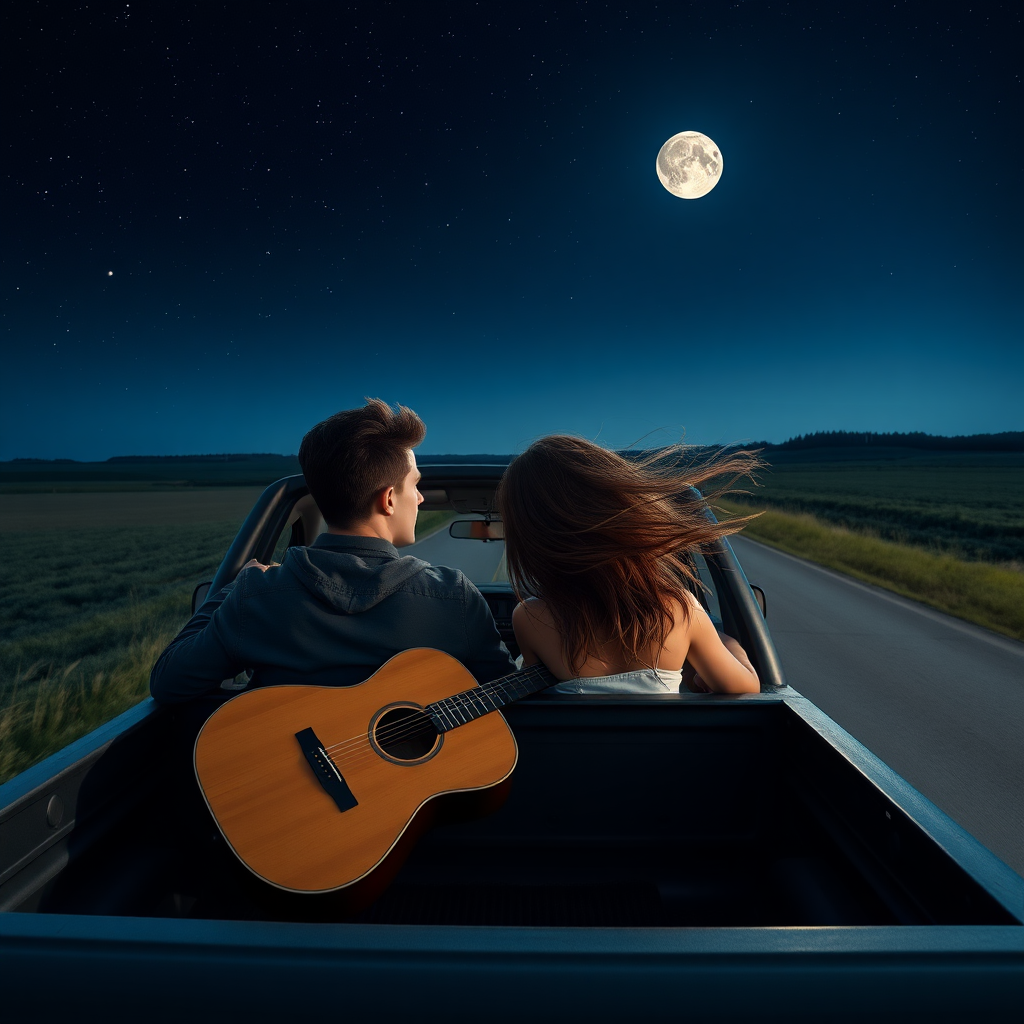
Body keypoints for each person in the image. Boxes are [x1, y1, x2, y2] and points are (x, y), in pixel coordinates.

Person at [150, 399, 515, 703]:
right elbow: (508, 699)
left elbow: (168, 683)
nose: (419, 498)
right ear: (388, 499)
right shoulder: (452, 596)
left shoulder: (255, 597)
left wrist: (233, 588)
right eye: (415, 486)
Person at [496, 435, 761, 695]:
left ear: (528, 539)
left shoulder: (528, 619)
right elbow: (747, 687)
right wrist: (730, 643)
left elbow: (537, 698)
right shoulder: (679, 609)